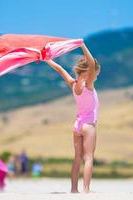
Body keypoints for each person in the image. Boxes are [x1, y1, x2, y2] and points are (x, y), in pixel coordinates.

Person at [45, 43, 100, 193]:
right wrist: (82, 46)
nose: (96, 75)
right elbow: (91, 63)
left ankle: (74, 189)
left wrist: (46, 59)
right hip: (88, 126)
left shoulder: (73, 84)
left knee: (77, 159)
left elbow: (59, 69)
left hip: (77, 126)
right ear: (89, 72)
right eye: (95, 72)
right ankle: (86, 189)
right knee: (88, 158)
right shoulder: (88, 85)